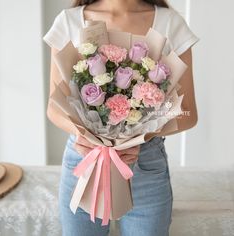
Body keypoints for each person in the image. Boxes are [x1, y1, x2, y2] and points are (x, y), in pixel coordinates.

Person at [43, 0, 199, 235]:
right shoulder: (69, 21)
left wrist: (141, 136)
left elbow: (188, 112)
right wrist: (83, 135)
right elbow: (54, 108)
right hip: (84, 159)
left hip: (145, 165)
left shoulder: (170, 23)